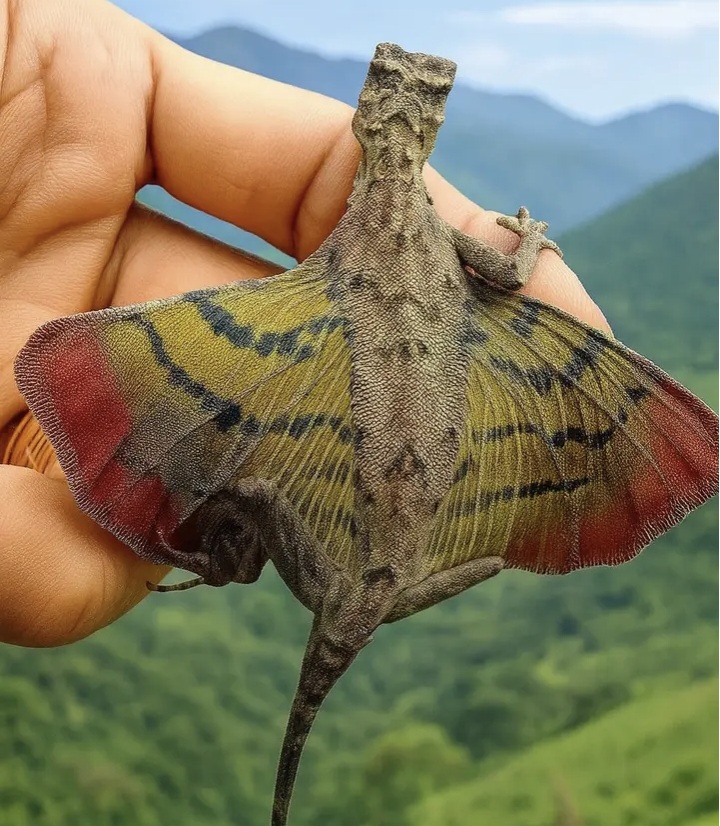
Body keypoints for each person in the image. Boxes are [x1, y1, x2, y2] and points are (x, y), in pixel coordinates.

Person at [0, 0, 610, 647]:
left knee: (249, 476)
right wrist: (531, 238)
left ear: (368, 115)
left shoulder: (372, 223)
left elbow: (503, 276)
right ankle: (266, 563)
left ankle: (246, 558)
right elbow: (511, 275)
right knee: (262, 486)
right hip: (385, 468)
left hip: (357, 444)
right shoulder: (433, 229)